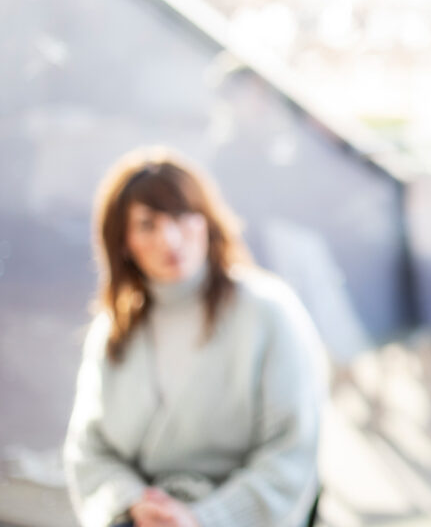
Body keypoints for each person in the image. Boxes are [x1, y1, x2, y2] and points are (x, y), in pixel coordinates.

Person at [64, 148, 324, 527]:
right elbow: (89, 449)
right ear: (123, 242)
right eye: (147, 224)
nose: (169, 239)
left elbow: (292, 452)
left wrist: (204, 518)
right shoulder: (113, 331)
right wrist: (133, 504)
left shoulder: (269, 312)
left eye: (181, 216)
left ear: (207, 221)